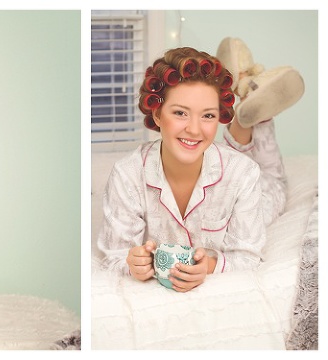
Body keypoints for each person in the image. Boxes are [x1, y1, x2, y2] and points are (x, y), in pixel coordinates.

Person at [96, 43, 303, 292]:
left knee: (274, 180)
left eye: (208, 116)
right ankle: (246, 93)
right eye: (181, 113)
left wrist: (210, 265)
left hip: (257, 185)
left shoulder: (244, 173)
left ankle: (253, 113)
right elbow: (116, 256)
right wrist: (133, 264)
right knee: (226, 154)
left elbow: (248, 257)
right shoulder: (127, 174)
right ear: (158, 114)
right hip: (225, 162)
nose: (194, 129)